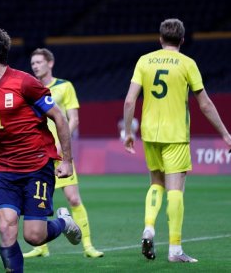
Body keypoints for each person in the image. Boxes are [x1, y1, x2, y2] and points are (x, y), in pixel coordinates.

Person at [0, 26, 81, 273]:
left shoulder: (25, 83)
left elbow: (59, 118)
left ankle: (64, 222)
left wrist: (67, 161)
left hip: (37, 167)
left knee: (34, 236)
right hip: (5, 169)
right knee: (6, 228)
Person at [123, 18, 231, 263]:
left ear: (160, 38)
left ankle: (149, 227)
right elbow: (204, 103)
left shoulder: (144, 60)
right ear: (182, 40)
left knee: (155, 183)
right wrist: (225, 133)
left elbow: (130, 100)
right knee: (176, 189)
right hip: (176, 135)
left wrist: (128, 132)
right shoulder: (187, 63)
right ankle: (175, 250)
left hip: (150, 133)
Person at [23, 48, 104, 259]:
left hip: (59, 152)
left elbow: (73, 119)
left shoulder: (64, 86)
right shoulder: (30, 88)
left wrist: (61, 145)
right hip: (37, 154)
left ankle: (88, 245)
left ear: (50, 63)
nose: (35, 66)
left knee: (73, 198)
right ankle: (41, 247)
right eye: (33, 63)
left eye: (39, 62)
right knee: (37, 199)